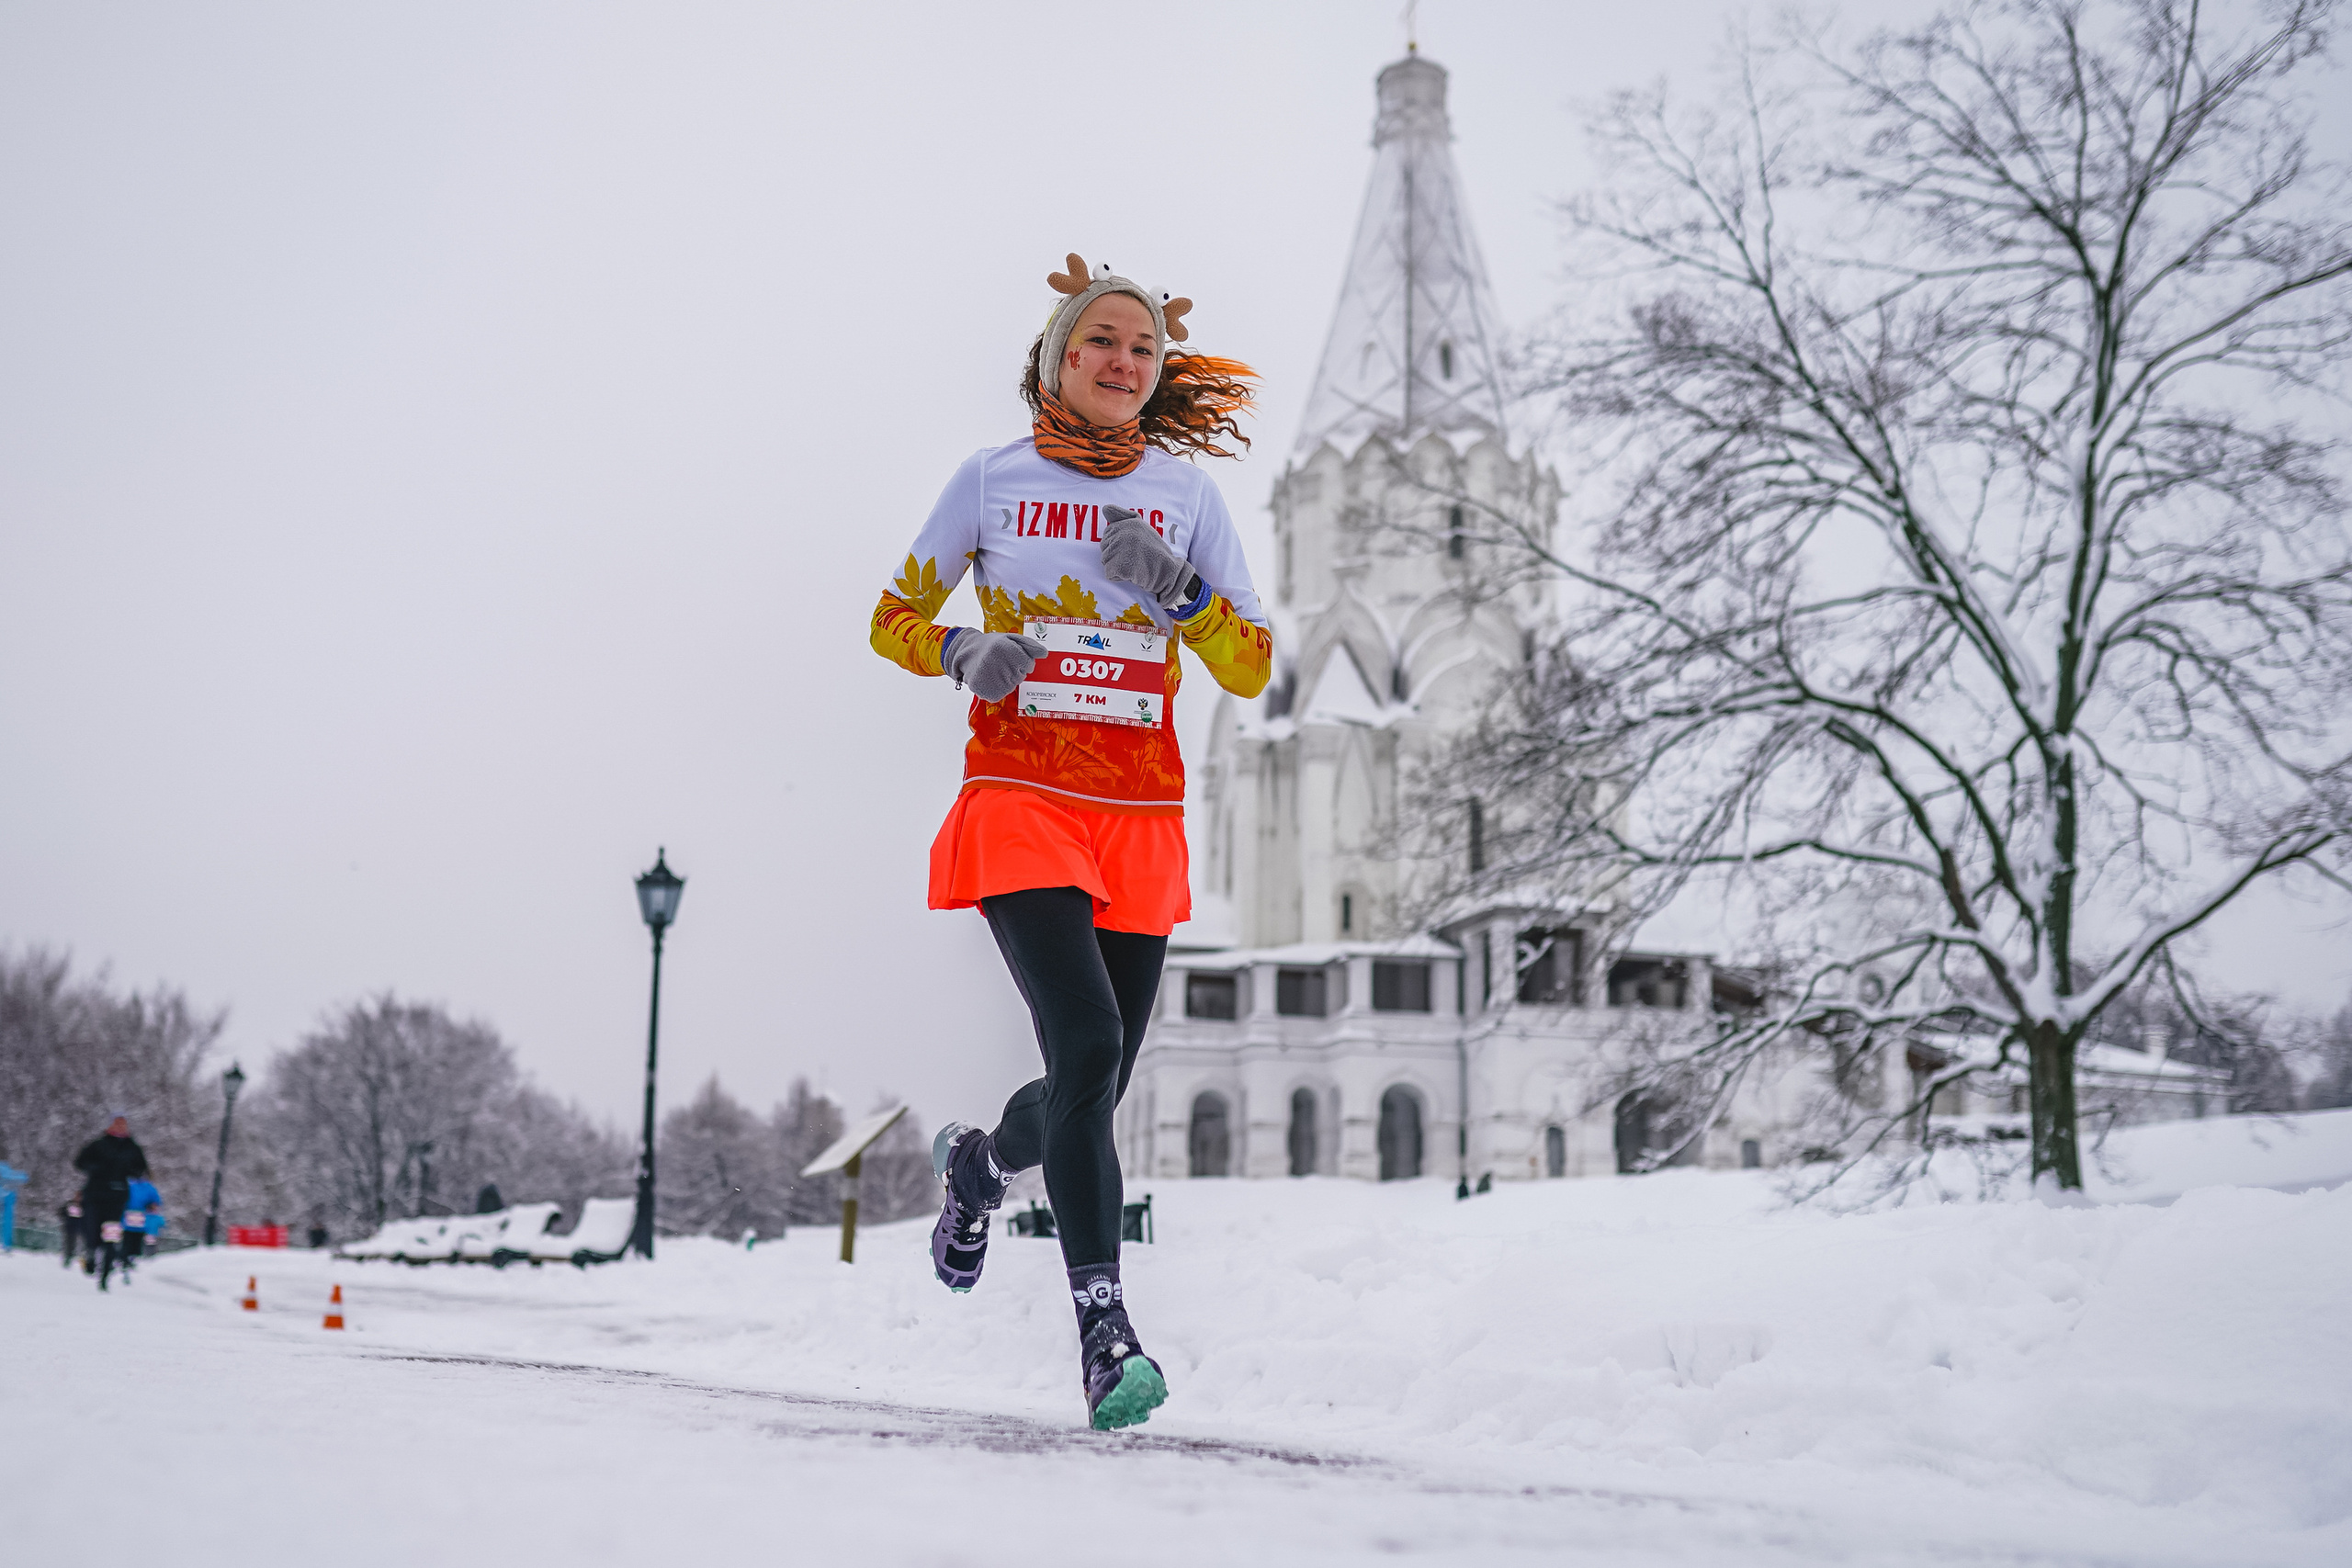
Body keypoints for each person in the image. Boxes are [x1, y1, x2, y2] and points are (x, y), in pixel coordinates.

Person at [869, 252, 1271, 1430]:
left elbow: (1250, 661)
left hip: (1139, 812)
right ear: (1055, 357)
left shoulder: (1185, 496)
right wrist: (955, 651)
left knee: (1097, 1076)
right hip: (1020, 793)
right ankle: (1104, 1332)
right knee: (1087, 1035)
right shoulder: (988, 482)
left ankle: (980, 1169)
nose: (1123, 362)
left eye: (1144, 349)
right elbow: (891, 613)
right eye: (1101, 341)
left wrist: (1182, 593)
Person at [74, 1113, 150, 1291]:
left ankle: (105, 1274)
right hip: (95, 1195)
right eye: (117, 1124)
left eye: (123, 1125)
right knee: (92, 1230)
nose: (120, 1128)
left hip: (117, 1197)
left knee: (111, 1235)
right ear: (110, 1126)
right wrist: (96, 1169)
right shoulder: (99, 1144)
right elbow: (80, 1162)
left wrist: (131, 1171)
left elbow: (141, 1169)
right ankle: (91, 1253)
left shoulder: (132, 1148)